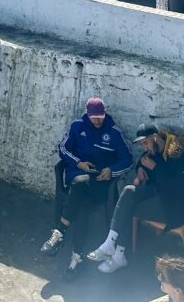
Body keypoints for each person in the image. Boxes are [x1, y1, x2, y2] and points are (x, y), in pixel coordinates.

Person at [40, 97, 133, 279]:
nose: (97, 121)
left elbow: (128, 160)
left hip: (99, 181)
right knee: (80, 183)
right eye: (94, 118)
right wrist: (78, 163)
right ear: (88, 115)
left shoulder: (114, 133)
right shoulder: (78, 127)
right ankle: (77, 256)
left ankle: (62, 234)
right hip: (79, 175)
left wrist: (111, 170)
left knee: (82, 205)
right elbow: (63, 149)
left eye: (100, 117)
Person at [88, 123, 184, 274]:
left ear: (155, 137)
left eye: (145, 143)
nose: (145, 147)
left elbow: (179, 190)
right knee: (128, 191)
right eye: (142, 144)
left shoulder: (180, 156)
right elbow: (142, 160)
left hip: (176, 207)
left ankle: (118, 255)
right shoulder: (157, 149)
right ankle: (110, 243)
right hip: (159, 197)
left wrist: (155, 168)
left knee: (129, 207)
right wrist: (140, 169)